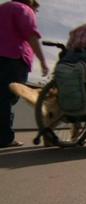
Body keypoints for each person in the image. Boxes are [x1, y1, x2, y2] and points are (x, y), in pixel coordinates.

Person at [0, 0, 49, 147]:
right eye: (36, 9)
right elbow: (31, 36)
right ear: (31, 4)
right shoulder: (24, 9)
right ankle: (5, 137)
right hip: (13, 58)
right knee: (8, 97)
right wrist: (42, 61)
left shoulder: (3, 8)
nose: (36, 13)